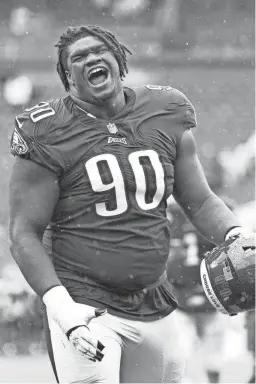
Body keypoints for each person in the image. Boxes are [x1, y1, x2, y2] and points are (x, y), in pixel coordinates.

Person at [8, 25, 247, 383]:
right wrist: (61, 307)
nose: (91, 58)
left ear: (119, 61)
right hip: (86, 304)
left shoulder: (165, 110)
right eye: (78, 57)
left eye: (99, 51)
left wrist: (237, 234)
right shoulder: (46, 130)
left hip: (155, 301)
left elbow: (198, 201)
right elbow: (23, 233)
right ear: (67, 77)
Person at [166, 196, 245, 383]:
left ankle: (184, 378)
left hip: (183, 295)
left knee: (180, 354)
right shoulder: (209, 221)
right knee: (211, 354)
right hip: (213, 295)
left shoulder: (174, 221)